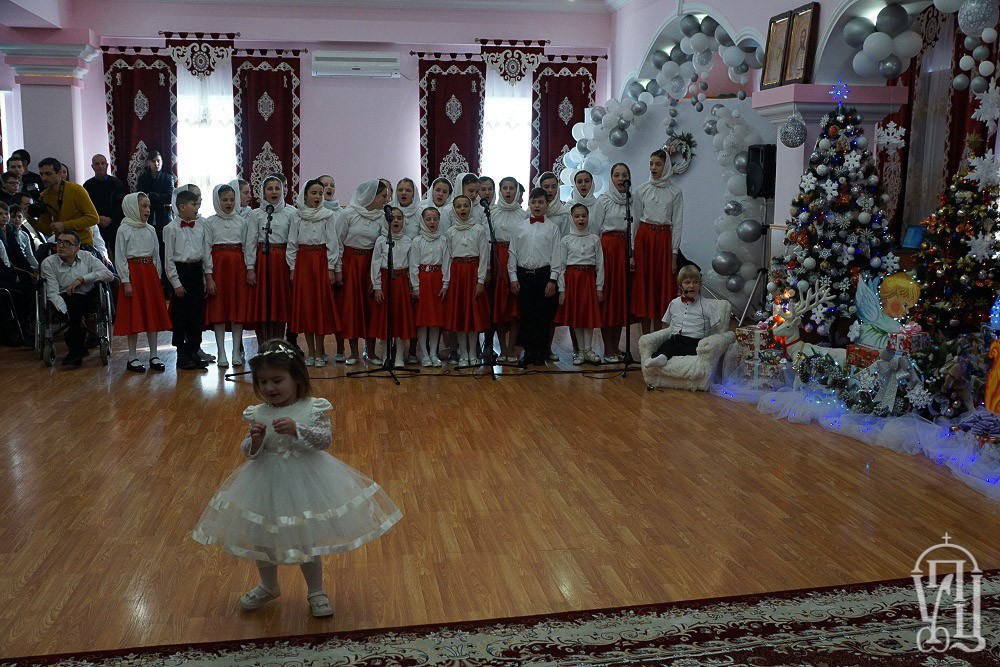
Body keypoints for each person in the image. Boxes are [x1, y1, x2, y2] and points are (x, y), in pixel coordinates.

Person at [191, 339, 403, 617]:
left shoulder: (313, 408)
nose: (270, 387)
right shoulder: (258, 412)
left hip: (303, 481)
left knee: (305, 536)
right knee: (261, 536)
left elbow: (323, 441)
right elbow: (250, 453)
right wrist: (256, 440)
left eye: (277, 380)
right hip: (264, 482)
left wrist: (297, 430)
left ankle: (316, 591)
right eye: (263, 381)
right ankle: (268, 585)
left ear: (297, 378)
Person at [114, 192, 172, 373]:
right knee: (134, 315)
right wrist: (126, 280)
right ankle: (132, 357)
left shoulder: (151, 230)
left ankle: (154, 355)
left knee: (151, 314)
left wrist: (158, 277)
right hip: (133, 276)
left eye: (149, 206)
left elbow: (156, 255)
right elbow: (120, 257)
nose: (147, 210)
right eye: (143, 206)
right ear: (132, 207)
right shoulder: (123, 230)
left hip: (149, 275)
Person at [39, 230, 113, 365]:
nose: (61, 246)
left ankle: (76, 350)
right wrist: (65, 311)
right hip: (65, 297)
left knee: (80, 301)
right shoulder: (48, 263)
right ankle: (76, 348)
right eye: (59, 242)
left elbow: (108, 274)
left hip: (88, 296)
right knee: (73, 303)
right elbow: (52, 293)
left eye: (67, 243)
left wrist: (82, 279)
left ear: (77, 248)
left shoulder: (87, 256)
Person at [287, 179, 340, 366]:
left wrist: (331, 268)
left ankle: (320, 352)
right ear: (305, 195)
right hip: (303, 263)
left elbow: (333, 243)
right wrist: (292, 268)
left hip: (320, 262)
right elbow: (292, 243)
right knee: (307, 307)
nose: (317, 196)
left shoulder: (328, 215)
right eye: (313, 193)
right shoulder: (296, 216)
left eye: (320, 193)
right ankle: (310, 351)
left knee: (319, 307)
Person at [508, 187, 563, 367]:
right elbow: (513, 253)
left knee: (543, 315)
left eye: (541, 202)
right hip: (524, 275)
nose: (537, 205)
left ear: (547, 205)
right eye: (534, 202)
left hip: (543, 275)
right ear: (529, 203)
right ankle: (528, 352)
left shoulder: (553, 228)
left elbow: (556, 255)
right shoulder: (520, 227)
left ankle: (540, 352)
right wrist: (513, 277)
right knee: (527, 315)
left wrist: (553, 279)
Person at [632, 149, 683, 335]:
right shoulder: (641, 190)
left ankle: (658, 335)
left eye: (658, 164)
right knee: (645, 287)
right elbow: (635, 222)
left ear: (666, 166)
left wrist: (674, 254)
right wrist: (632, 251)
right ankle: (645, 337)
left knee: (660, 288)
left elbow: (677, 224)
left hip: (663, 241)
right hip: (645, 240)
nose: (653, 168)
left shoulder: (675, 192)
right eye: (651, 163)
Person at [337, 180, 387, 365]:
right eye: (383, 196)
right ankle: (352, 353)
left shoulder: (382, 217)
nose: (386, 200)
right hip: (351, 264)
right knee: (352, 306)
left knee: (370, 307)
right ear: (371, 196)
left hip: (371, 263)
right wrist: (337, 268)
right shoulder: (348, 213)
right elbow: (337, 241)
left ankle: (371, 352)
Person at [204, 183, 249, 368]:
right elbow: (206, 250)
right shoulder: (209, 222)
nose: (229, 203)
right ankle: (221, 351)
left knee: (237, 309)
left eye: (232, 199)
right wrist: (209, 277)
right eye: (224, 200)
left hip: (238, 268)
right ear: (217, 201)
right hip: (219, 269)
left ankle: (236, 351)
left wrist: (249, 268)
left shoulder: (242, 222)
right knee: (219, 309)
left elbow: (247, 247)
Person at [164, 189, 210, 371]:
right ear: (182, 207)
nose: (197, 207)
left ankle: (194, 350)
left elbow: (205, 253)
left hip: (196, 271)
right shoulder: (171, 228)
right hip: (181, 272)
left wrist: (206, 279)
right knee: (181, 315)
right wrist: (176, 283)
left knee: (196, 315)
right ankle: (181, 354)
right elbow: (169, 259)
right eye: (194, 204)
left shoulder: (200, 226)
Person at [246, 176, 294, 346]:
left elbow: (293, 241)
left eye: (277, 188)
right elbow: (251, 241)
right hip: (262, 261)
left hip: (282, 261)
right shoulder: (256, 214)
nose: (274, 192)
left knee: (280, 304)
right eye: (270, 188)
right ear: (263, 192)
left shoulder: (291, 212)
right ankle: (263, 345)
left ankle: (278, 344)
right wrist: (250, 267)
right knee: (262, 304)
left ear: (283, 191)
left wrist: (292, 267)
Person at [592, 162, 633, 363]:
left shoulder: (631, 200)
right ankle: (607, 349)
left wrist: (632, 253)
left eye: (624, 175)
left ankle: (616, 347)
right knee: (608, 301)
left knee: (620, 301)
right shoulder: (604, 200)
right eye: (616, 175)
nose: (620, 178)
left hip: (624, 251)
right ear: (611, 178)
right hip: (608, 251)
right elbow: (595, 229)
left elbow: (635, 226)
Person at [644, 265, 720, 368]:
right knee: (668, 344)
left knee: (690, 348)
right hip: (677, 339)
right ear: (680, 285)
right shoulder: (674, 303)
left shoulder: (707, 305)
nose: (691, 286)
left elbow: (717, 327)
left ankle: (664, 356)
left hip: (696, 342)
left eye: (695, 282)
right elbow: (666, 324)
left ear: (700, 285)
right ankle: (662, 358)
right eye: (687, 282)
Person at [555, 204, 604, 365]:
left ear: (588, 217)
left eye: (584, 215)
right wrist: (562, 289)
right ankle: (581, 351)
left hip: (589, 281)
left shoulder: (595, 239)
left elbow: (600, 265)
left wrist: (599, 287)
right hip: (573, 282)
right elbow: (561, 266)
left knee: (588, 314)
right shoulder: (566, 240)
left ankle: (589, 350)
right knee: (577, 315)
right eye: (577, 216)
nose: (581, 219)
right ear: (571, 218)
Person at [443, 195, 489, 365]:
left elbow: (484, 256)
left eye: (465, 206)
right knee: (461, 315)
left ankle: (473, 354)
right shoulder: (450, 231)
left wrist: (481, 280)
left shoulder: (479, 230)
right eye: (458, 206)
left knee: (473, 314)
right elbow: (447, 257)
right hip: (457, 275)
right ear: (454, 210)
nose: (462, 209)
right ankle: (463, 354)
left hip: (473, 273)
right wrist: (446, 282)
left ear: (470, 208)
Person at [369, 207, 415, 368]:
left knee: (400, 319)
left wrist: (412, 286)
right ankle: (386, 356)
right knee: (386, 320)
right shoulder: (381, 241)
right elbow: (375, 264)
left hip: (401, 282)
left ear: (404, 221)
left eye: (399, 218)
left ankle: (399, 356)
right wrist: (377, 286)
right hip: (385, 281)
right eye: (392, 218)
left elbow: (412, 265)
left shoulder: (408, 241)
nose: (395, 221)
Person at [409, 206, 449, 367]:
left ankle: (433, 352)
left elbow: (446, 263)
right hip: (423, 281)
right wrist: (415, 286)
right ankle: (424, 354)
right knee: (423, 319)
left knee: (435, 320)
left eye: (435, 219)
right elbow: (413, 265)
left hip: (437, 281)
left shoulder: (443, 240)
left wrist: (445, 283)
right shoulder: (417, 241)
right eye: (428, 219)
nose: (432, 222)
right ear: (422, 221)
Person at [32, 157, 100, 250]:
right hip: (61, 245)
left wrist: (65, 225)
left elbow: (94, 218)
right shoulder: (44, 196)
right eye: (41, 174)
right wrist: (30, 218)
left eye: (48, 174)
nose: (44, 178)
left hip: (82, 243)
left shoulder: (76, 189)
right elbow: (48, 230)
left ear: (60, 173)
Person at [491, 177, 524, 362]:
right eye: (505, 188)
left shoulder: (523, 214)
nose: (508, 191)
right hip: (498, 259)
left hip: (517, 259)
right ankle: (502, 349)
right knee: (500, 305)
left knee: (514, 306)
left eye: (512, 188)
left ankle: (512, 349)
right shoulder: (493, 212)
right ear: (500, 191)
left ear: (517, 191)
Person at [83, 154, 126, 259]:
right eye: (97, 164)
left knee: (119, 255)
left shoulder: (116, 183)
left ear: (107, 165)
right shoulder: (87, 185)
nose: (100, 166)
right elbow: (86, 206)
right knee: (99, 256)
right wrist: (97, 218)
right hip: (96, 225)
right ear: (92, 167)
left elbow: (121, 204)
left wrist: (110, 218)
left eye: (103, 163)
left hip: (115, 224)